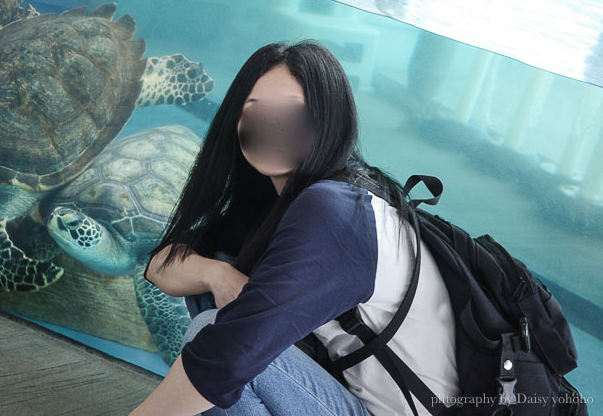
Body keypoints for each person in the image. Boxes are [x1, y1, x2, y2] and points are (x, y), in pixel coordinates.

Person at [128, 41, 461, 416]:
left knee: (218, 333)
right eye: (255, 112)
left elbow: (227, 358)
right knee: (221, 288)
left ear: (327, 121)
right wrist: (216, 274)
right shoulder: (281, 200)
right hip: (345, 394)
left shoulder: (337, 212)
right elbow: (161, 264)